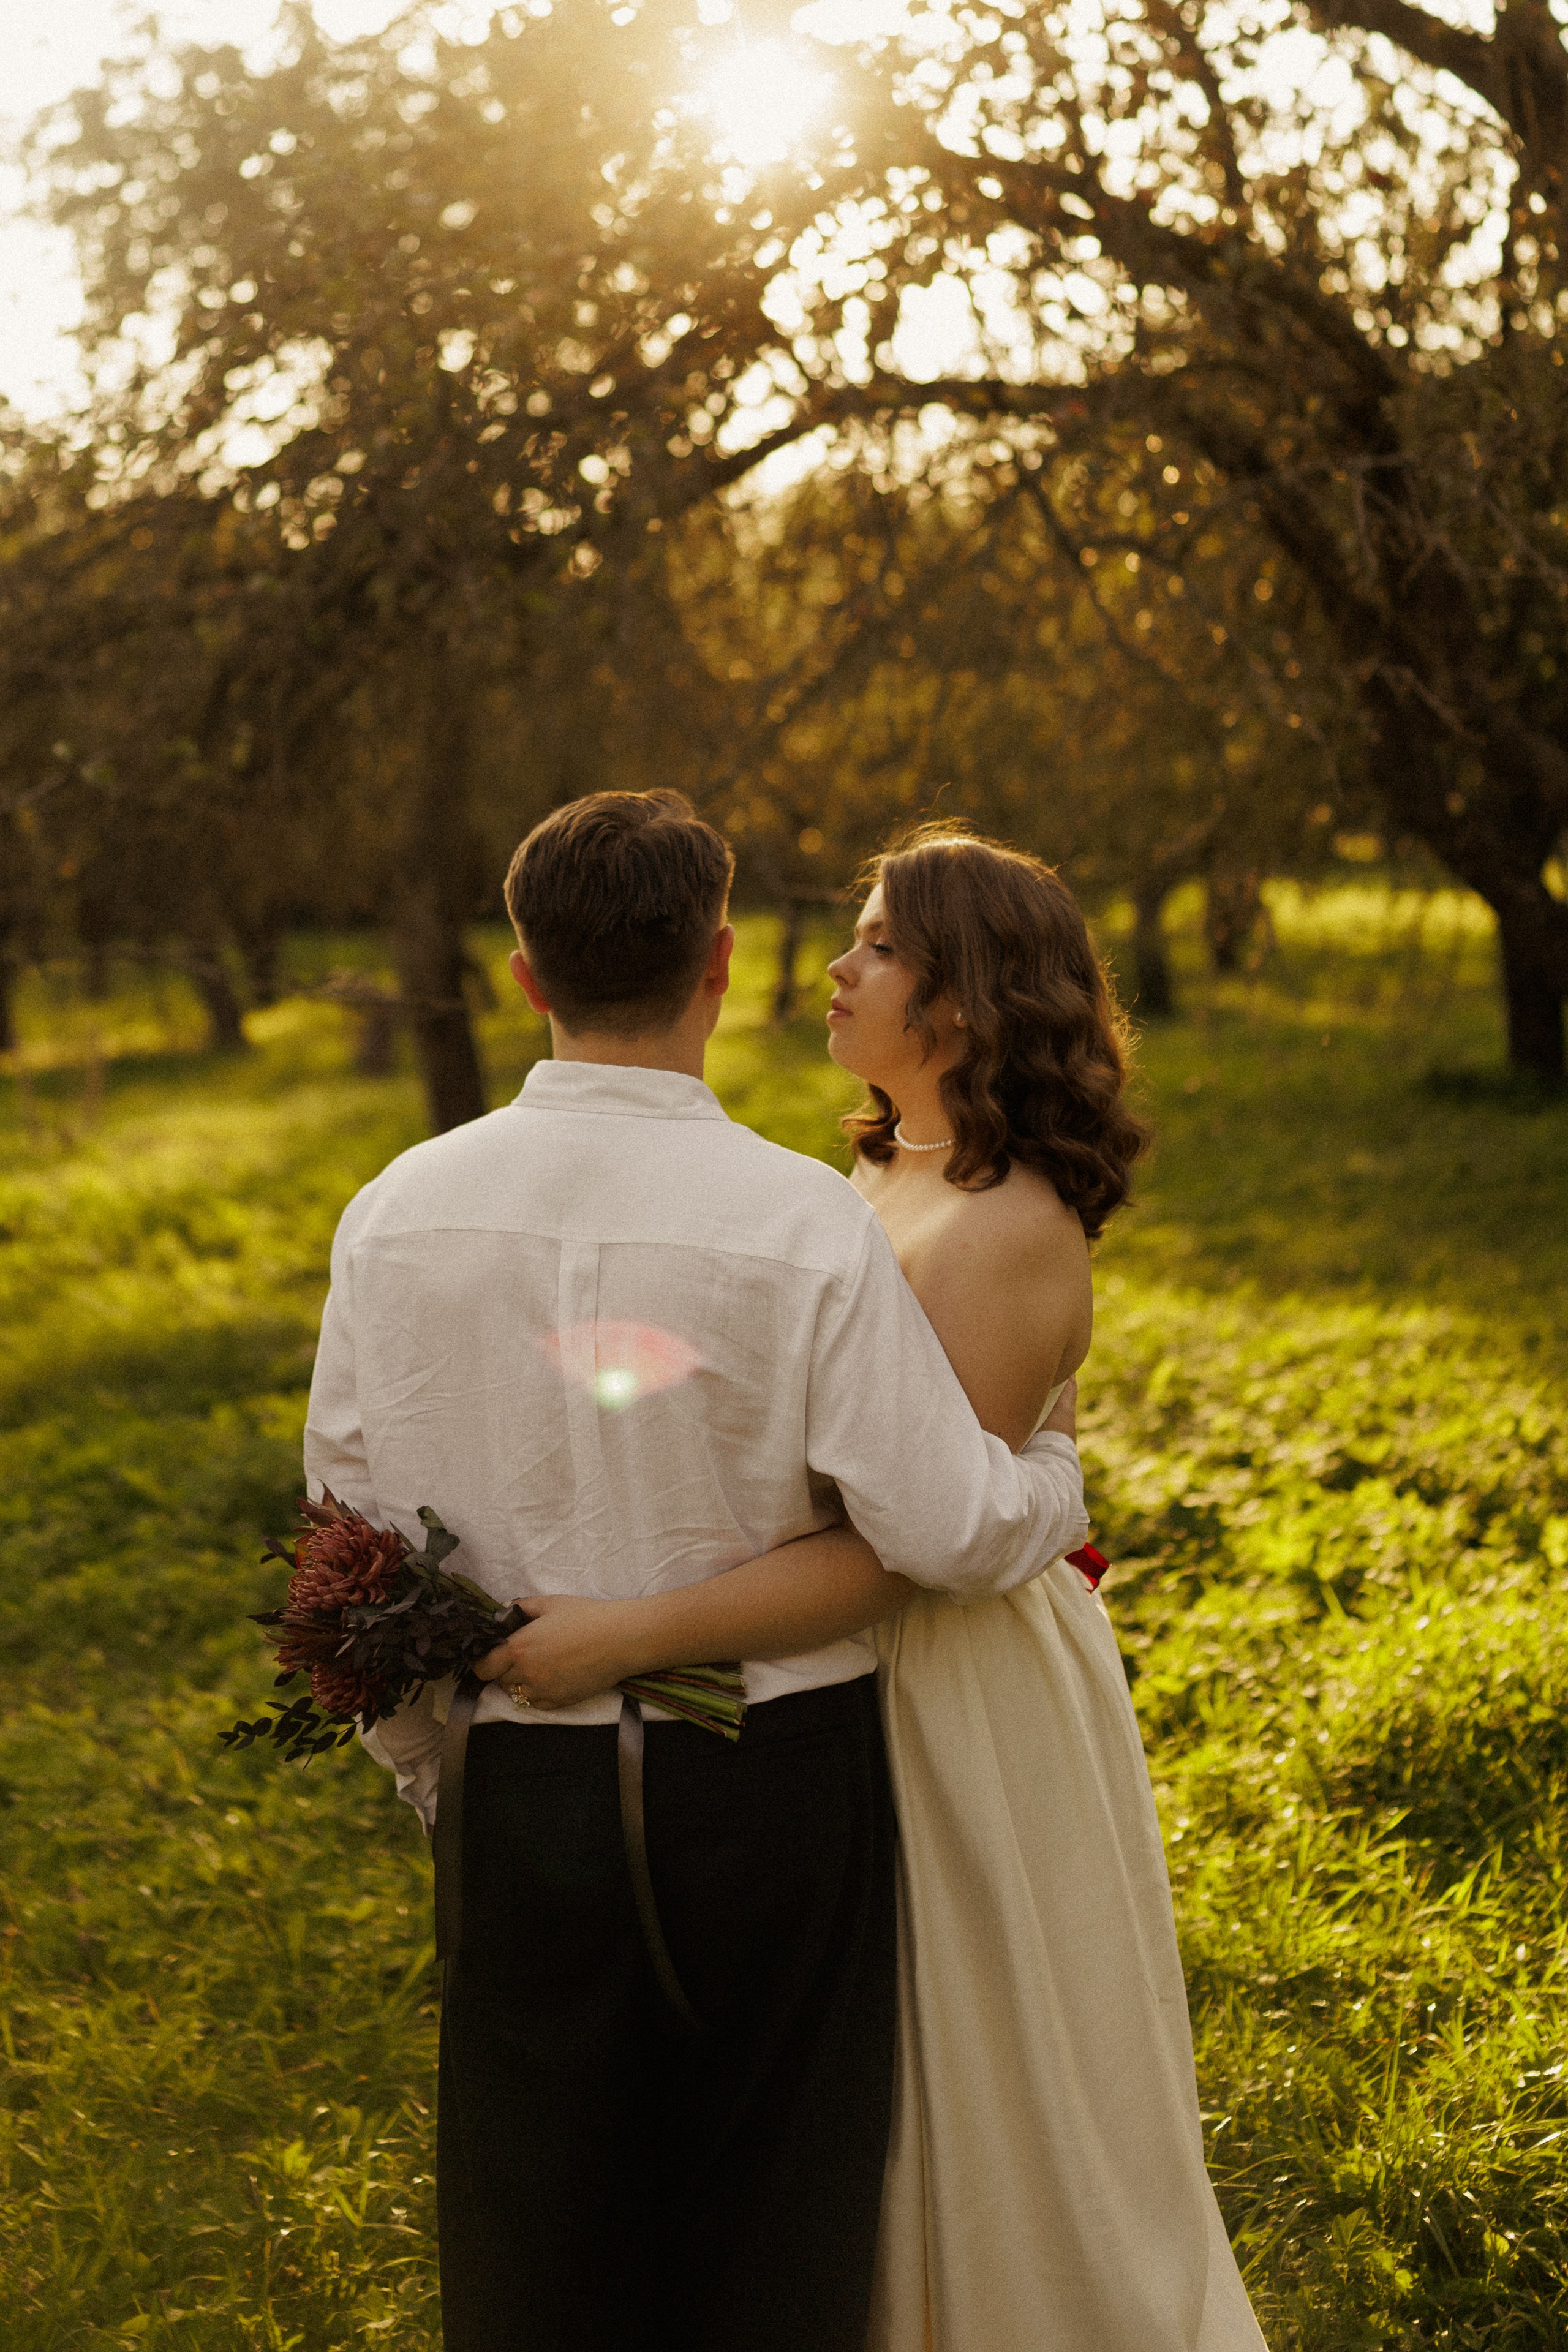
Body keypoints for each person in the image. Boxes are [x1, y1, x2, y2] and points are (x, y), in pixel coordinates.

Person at [303, 792, 1096, 2352]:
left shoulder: (393, 1214)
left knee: (533, 2247)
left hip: (514, 1775)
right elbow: (941, 1530)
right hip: (776, 1780)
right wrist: (1054, 1475)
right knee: (776, 2229)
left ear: (525, 976)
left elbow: (348, 1548)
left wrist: (434, 1769)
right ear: (719, 962)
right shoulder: (801, 1220)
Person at [490, 825, 1270, 2352]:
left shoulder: (1006, 1224)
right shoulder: (872, 1167)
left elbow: (919, 1542)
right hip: (833, 1651)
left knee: (970, 2054)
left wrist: (636, 1633)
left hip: (953, 1682)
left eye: (879, 946)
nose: (838, 967)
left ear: (967, 997)